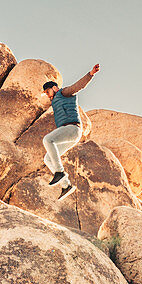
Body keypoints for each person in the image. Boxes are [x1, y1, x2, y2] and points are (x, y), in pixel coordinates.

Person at [42, 64, 100, 201]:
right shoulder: (55, 100)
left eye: (47, 91)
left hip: (73, 129)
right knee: (47, 158)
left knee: (47, 140)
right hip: (69, 133)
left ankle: (60, 172)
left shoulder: (64, 93)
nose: (47, 95)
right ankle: (66, 185)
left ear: (54, 88)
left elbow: (78, 86)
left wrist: (90, 74)